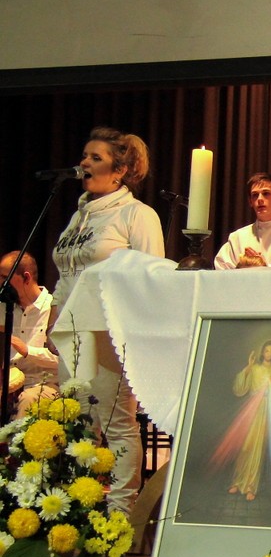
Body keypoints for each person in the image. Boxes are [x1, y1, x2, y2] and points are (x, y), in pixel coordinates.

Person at [50, 126, 165, 513]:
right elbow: (64, 277)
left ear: (120, 171)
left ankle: (119, 517)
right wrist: (54, 321)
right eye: (85, 155)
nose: (84, 162)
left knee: (115, 423)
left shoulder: (136, 214)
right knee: (76, 423)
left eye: (95, 157)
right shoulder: (78, 216)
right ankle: (79, 512)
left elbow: (152, 276)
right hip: (71, 333)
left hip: (109, 332)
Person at [209, 339, 271, 502]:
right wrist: (248, 366)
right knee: (245, 446)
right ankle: (237, 482)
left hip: (266, 411)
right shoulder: (255, 368)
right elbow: (239, 388)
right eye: (267, 350)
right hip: (251, 409)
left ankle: (251, 487)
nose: (269, 353)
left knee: (257, 448)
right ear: (262, 352)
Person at [0, 251, 59, 417]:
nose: (1, 283)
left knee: (28, 399)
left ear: (26, 277)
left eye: (4, 277)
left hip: (44, 384)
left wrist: (27, 351)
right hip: (8, 383)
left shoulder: (53, 309)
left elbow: (65, 361)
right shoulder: (3, 307)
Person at [213, 172, 271, 269]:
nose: (260, 199)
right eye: (255, 195)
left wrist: (263, 267)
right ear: (250, 202)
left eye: (266, 193)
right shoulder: (237, 237)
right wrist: (243, 266)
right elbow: (222, 270)